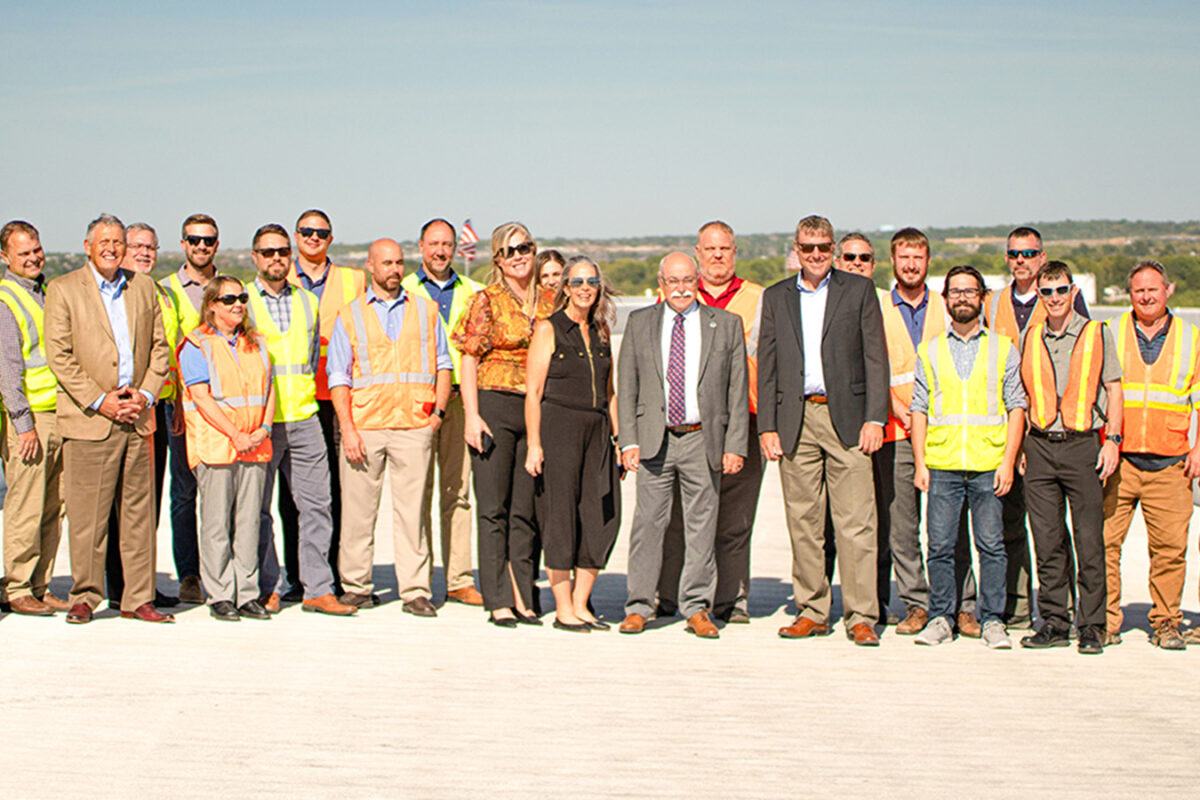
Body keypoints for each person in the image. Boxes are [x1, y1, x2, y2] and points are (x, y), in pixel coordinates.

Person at [758, 215, 888, 647]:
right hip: (796, 420)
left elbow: (875, 358)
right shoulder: (776, 297)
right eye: (808, 248)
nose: (816, 256)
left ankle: (861, 615)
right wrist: (768, 427)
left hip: (848, 418)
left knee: (856, 523)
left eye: (823, 248)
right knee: (804, 521)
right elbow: (769, 364)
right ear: (795, 249)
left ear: (832, 249)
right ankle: (812, 610)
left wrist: (875, 417)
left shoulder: (859, 290)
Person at [45, 213, 173, 624]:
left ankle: (138, 597)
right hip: (90, 420)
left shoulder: (144, 287)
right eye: (104, 242)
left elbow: (159, 348)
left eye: (119, 242)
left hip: (137, 415)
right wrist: (102, 401)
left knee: (138, 514)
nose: (112, 249)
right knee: (88, 516)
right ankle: (85, 594)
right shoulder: (64, 290)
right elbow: (60, 357)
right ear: (87, 246)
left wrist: (146, 394)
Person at [617, 252, 747, 639]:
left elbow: (736, 392)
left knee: (701, 527)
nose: (681, 288)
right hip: (655, 440)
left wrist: (734, 445)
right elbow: (627, 388)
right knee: (647, 526)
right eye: (673, 281)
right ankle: (639, 605)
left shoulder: (725, 325)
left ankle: (696, 607)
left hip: (702, 439)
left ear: (698, 281)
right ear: (661, 283)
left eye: (688, 280)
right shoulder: (640, 323)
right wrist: (629, 440)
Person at [328, 239, 452, 616]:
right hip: (365, 427)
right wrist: (348, 429)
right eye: (386, 263)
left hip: (414, 425)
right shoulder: (350, 315)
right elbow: (338, 377)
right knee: (357, 513)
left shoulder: (426, 310)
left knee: (413, 513)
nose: (395, 269)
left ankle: (415, 590)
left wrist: (438, 414)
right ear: (370, 266)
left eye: (399, 262)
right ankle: (356, 585)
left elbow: (443, 364)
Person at [911, 266, 1025, 648]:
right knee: (940, 547)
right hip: (942, 465)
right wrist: (921, 464)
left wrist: (1008, 461)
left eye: (969, 291)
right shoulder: (930, 350)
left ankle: (993, 620)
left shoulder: (1003, 348)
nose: (962, 298)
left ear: (982, 297)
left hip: (987, 465)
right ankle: (941, 616)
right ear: (945, 299)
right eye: (955, 292)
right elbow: (919, 408)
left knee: (991, 546)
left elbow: (1016, 407)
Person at [246, 224, 355, 616]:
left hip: (304, 417)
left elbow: (309, 359)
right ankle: (268, 586)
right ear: (255, 257)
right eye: (267, 252)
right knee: (258, 510)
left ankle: (318, 588)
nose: (276, 258)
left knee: (317, 506)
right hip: (261, 422)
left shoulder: (308, 301)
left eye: (282, 252)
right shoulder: (241, 303)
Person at [658, 221, 764, 624]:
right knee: (678, 518)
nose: (717, 256)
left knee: (735, 519)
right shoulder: (678, 293)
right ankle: (670, 595)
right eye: (710, 249)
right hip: (687, 423)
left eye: (725, 249)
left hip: (743, 421)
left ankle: (730, 599)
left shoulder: (758, 298)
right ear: (698, 253)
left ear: (735, 252)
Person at [982, 225, 1089, 628]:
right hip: (1008, 429)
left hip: (1055, 431)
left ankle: (1069, 609)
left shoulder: (1063, 300)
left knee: (1057, 529)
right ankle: (1020, 606)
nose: (1021, 261)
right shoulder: (993, 304)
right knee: (1011, 525)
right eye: (1014, 254)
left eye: (1028, 253)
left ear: (1043, 257)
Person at [875, 229, 979, 637]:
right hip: (897, 433)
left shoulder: (947, 306)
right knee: (902, 527)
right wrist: (893, 405)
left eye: (918, 257)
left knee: (951, 527)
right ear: (893, 261)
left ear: (928, 261)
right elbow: (873, 363)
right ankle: (917, 604)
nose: (911, 264)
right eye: (904, 257)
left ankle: (961, 606)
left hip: (944, 433)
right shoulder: (879, 308)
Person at [1018, 260, 1122, 654]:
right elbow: (1023, 395)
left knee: (1088, 541)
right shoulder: (1031, 337)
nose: (1055, 298)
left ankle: (1092, 625)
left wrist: (1112, 439)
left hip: (1083, 447)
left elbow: (1114, 390)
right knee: (1047, 542)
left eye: (1061, 290)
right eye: (1047, 292)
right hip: (1040, 447)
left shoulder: (1097, 333)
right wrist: (1022, 448)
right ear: (1039, 296)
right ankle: (1055, 623)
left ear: (1073, 291)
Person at [451, 222, 553, 627]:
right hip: (494, 406)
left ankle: (524, 594)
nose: (518, 256)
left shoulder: (550, 300)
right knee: (494, 508)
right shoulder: (486, 301)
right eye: (509, 251)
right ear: (497, 259)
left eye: (524, 247)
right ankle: (497, 598)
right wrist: (472, 415)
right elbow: (469, 358)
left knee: (526, 510)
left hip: (537, 410)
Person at [1104, 260, 1200, 650]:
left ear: (1168, 290)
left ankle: (1166, 622)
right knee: (1104, 544)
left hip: (1171, 463)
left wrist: (1197, 450)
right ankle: (1106, 621)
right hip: (1120, 462)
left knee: (1170, 551)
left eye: (1153, 289)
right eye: (1138, 290)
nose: (1146, 296)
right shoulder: (1110, 332)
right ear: (1129, 294)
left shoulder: (1191, 339)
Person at [525, 256, 621, 632]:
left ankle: (582, 604)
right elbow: (532, 392)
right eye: (577, 281)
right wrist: (535, 444)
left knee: (600, 516)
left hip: (597, 429)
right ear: (564, 287)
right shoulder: (549, 328)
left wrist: (618, 438)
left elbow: (611, 392)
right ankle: (563, 607)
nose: (585, 288)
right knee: (561, 516)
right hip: (559, 426)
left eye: (591, 282)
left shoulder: (602, 330)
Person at [179, 276, 275, 621]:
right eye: (230, 299)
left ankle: (247, 594)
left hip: (255, 445)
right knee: (217, 523)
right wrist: (235, 434)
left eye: (242, 297)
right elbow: (201, 398)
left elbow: (269, 388)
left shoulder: (257, 342)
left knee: (249, 522)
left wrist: (264, 428)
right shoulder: (197, 345)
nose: (239, 304)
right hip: (219, 446)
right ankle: (219, 594)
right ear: (212, 306)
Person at [282, 209, 366, 601]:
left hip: (339, 395)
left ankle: (332, 575)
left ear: (331, 238)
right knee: (291, 495)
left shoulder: (353, 279)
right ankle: (297, 578)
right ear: (296, 236)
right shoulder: (277, 275)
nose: (314, 237)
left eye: (322, 232)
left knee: (336, 487)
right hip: (292, 398)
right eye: (307, 232)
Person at [401, 218, 485, 606]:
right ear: (420, 247)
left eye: (447, 244)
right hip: (417, 404)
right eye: (433, 244)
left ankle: (458, 578)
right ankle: (418, 582)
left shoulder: (474, 292)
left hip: (460, 400)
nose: (440, 251)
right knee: (416, 494)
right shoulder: (403, 291)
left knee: (458, 492)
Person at [105, 222, 179, 609]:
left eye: (150, 246)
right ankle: (119, 586)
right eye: (136, 246)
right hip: (126, 409)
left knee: (146, 504)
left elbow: (171, 355)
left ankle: (141, 583)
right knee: (121, 505)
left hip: (159, 409)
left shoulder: (163, 294)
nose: (145, 253)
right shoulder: (119, 292)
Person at [0, 220, 67, 615]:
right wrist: (22, 424)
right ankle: (17, 585)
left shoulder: (45, 290)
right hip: (31, 420)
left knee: (53, 504)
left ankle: (41, 583)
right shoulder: (7, 299)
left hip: (58, 412)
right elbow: (8, 370)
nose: (33, 258)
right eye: (23, 253)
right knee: (26, 503)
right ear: (5, 257)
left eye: (36, 249)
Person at [159, 213, 223, 605]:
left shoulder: (231, 288)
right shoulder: (164, 290)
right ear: (183, 244)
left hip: (225, 407)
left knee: (222, 493)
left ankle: (220, 569)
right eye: (194, 240)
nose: (201, 246)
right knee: (184, 493)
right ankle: (189, 575)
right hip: (181, 406)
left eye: (208, 240)